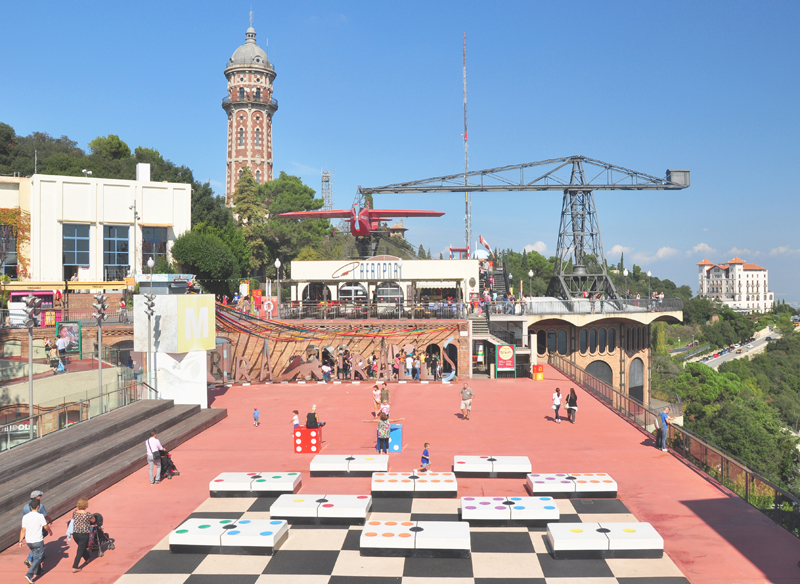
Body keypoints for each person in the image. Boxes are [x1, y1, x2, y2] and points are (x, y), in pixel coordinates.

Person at [20, 497, 51, 582]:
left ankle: (38, 571)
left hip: (29, 541)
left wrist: (20, 541)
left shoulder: (25, 517)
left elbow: (23, 529)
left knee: (35, 555)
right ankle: (29, 574)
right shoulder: (40, 516)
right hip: (37, 540)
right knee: (38, 557)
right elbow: (45, 526)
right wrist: (50, 531)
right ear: (38, 506)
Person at [70, 497, 92, 573]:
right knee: (80, 549)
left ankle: (87, 558)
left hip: (75, 534)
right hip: (83, 534)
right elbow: (93, 520)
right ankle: (75, 566)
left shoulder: (75, 513)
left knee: (81, 547)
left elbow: (73, 518)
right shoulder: (87, 514)